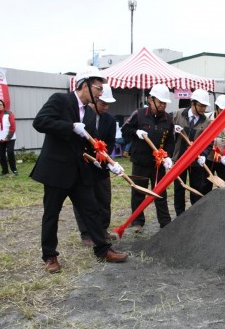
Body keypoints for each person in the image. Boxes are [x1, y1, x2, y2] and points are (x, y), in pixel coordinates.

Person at [30, 66, 128, 273]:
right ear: (85, 85)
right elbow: (40, 122)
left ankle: (102, 249)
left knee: (91, 210)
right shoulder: (60, 100)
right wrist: (69, 127)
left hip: (80, 170)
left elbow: (88, 144)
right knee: (51, 214)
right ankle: (50, 256)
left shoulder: (90, 115)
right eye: (99, 88)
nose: (102, 93)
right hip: (57, 170)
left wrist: (105, 162)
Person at [122, 84, 175, 232]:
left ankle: (165, 221)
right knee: (139, 192)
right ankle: (137, 222)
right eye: (160, 102)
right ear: (150, 99)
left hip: (158, 163)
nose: (162, 105)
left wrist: (168, 156)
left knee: (160, 192)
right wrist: (135, 132)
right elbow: (125, 130)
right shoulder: (138, 114)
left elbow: (171, 140)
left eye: (165, 103)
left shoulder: (169, 120)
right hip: (141, 160)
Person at [72, 84, 120, 246]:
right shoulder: (81, 117)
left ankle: (102, 228)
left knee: (104, 198)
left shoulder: (110, 120)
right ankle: (86, 233)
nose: (105, 107)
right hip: (84, 164)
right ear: (93, 100)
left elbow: (111, 143)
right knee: (84, 200)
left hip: (102, 165)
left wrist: (105, 160)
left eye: (108, 104)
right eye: (102, 104)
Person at [171, 89, 212, 215]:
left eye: (205, 106)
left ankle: (195, 214)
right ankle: (180, 215)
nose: (203, 109)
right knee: (179, 189)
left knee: (196, 188)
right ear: (192, 103)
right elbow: (167, 134)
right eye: (201, 105)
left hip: (195, 162)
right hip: (179, 159)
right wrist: (173, 129)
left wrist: (204, 154)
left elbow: (209, 142)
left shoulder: (206, 122)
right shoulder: (177, 115)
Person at [205, 94, 225, 185]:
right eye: (221, 110)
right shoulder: (206, 118)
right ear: (216, 108)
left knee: (224, 184)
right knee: (206, 184)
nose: (223, 113)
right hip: (208, 157)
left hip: (224, 159)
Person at [0, 99, 18, 176]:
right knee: (2, 155)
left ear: (3, 106)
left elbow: (13, 126)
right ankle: (5, 171)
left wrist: (9, 136)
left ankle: (14, 170)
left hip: (10, 138)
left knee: (10, 153)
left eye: (0, 104)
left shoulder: (9, 114)